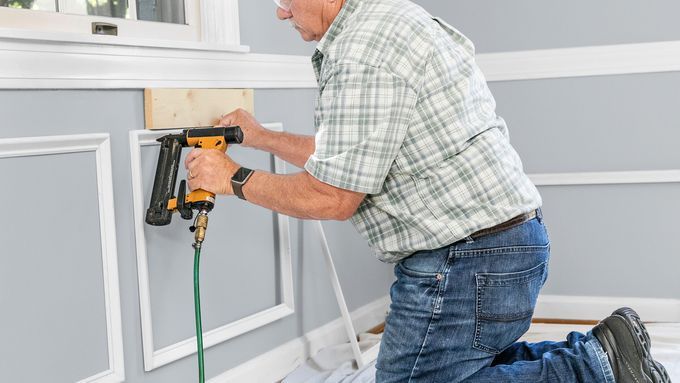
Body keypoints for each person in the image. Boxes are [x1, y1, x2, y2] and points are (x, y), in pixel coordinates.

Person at [184, 0, 671, 381]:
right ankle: (606, 352)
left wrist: (232, 179)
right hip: (501, 246)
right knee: (458, 369)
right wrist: (261, 137)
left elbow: (332, 195)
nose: (280, 11)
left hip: (468, 260)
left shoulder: (362, 53)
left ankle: (596, 368)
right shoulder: (386, 23)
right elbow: (354, 153)